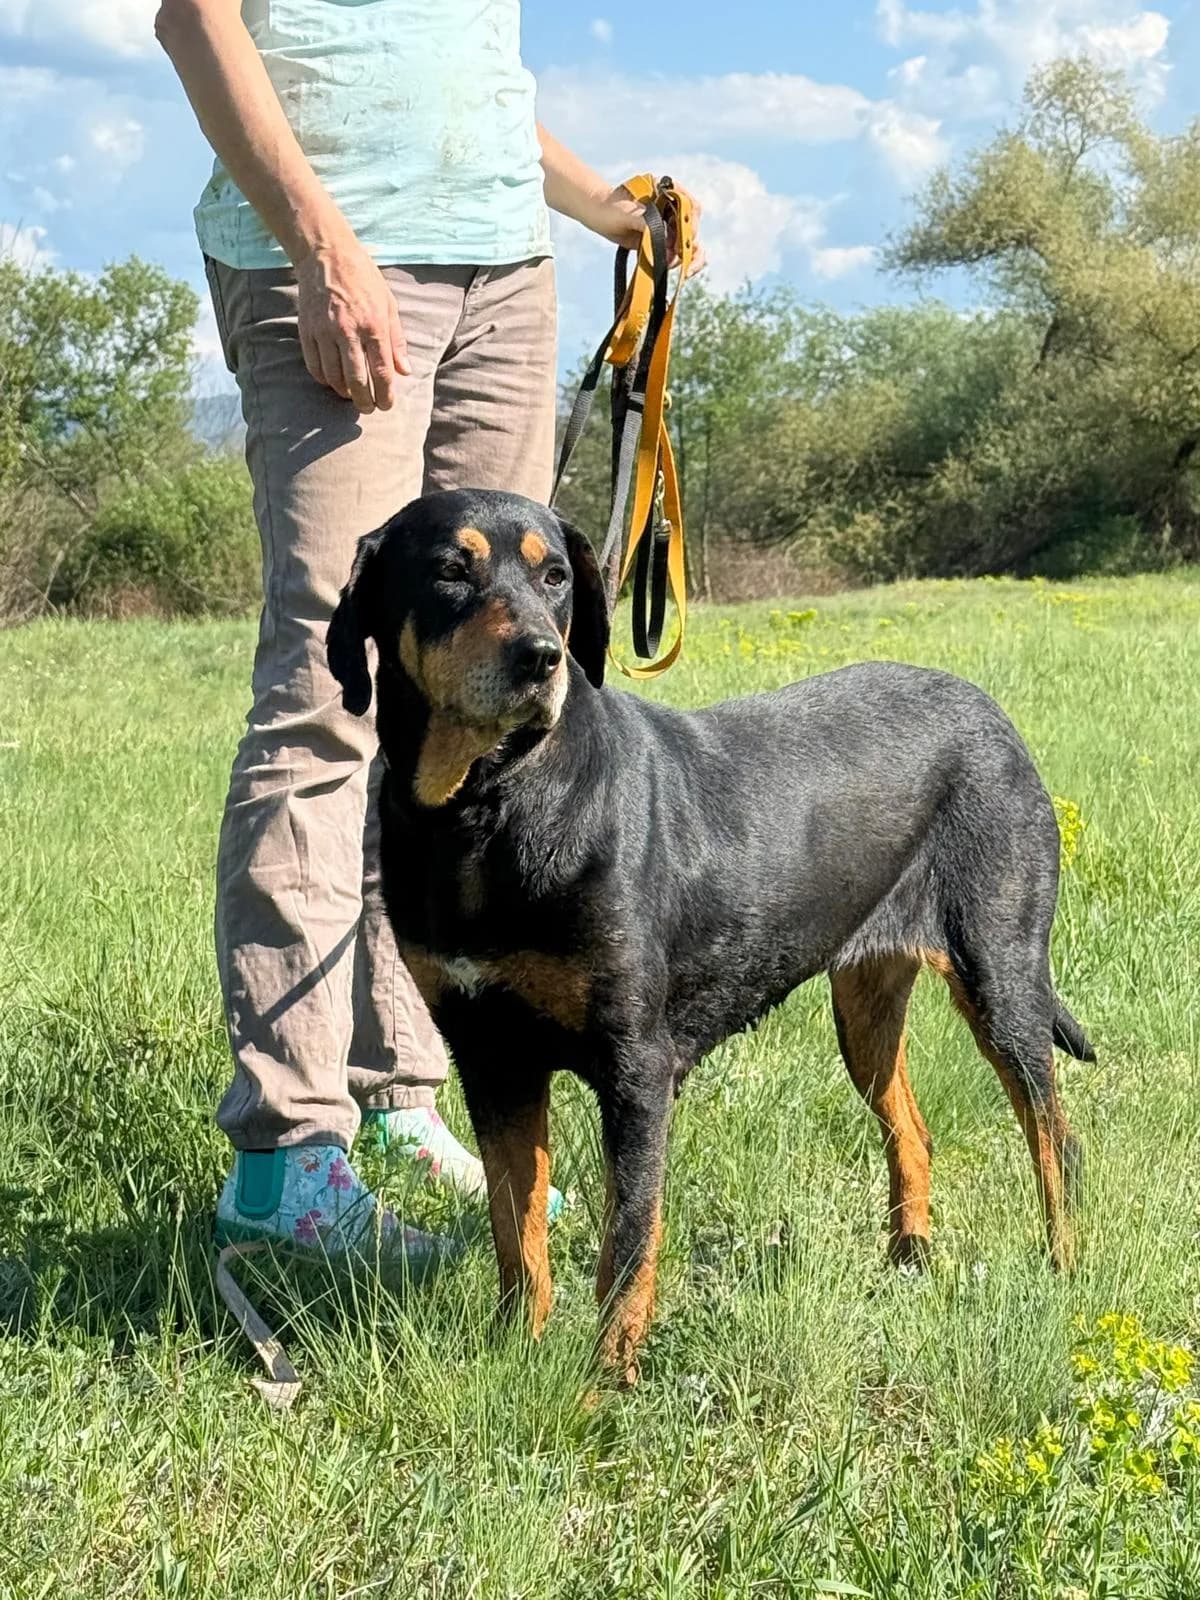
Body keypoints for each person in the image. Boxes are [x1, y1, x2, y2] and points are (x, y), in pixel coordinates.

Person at [155, 0, 703, 1261]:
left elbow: (470, 74)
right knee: (326, 689)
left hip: (507, 267)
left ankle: (403, 1097)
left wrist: (602, 210)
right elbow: (196, 19)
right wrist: (319, 246)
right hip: (337, 252)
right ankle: (288, 1155)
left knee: (473, 709)